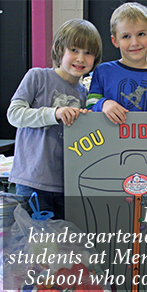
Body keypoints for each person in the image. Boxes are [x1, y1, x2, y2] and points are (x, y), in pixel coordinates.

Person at [7, 19, 102, 219]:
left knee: (63, 244)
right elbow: (14, 114)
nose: (80, 58)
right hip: (32, 180)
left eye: (88, 52)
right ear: (59, 50)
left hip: (67, 185)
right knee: (35, 245)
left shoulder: (85, 94)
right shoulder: (37, 77)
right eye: (74, 49)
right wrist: (54, 113)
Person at [86, 2, 147, 123]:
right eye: (126, 36)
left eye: (141, 34)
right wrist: (104, 104)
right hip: (109, 141)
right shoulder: (103, 72)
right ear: (115, 41)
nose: (134, 42)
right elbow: (90, 106)